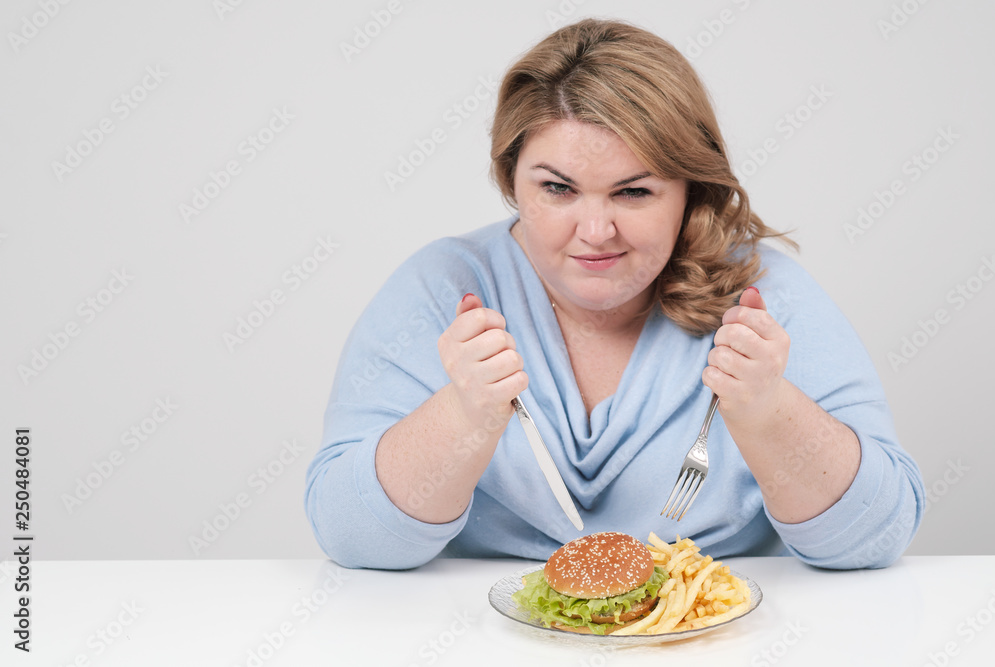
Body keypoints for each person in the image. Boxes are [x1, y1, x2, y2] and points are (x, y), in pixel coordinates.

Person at [304, 18, 924, 570]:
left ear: (690, 191)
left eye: (634, 193)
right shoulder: (442, 287)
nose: (595, 232)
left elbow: (876, 539)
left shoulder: (762, 296)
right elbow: (352, 539)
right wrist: (464, 415)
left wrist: (767, 410)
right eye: (558, 189)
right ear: (511, 180)